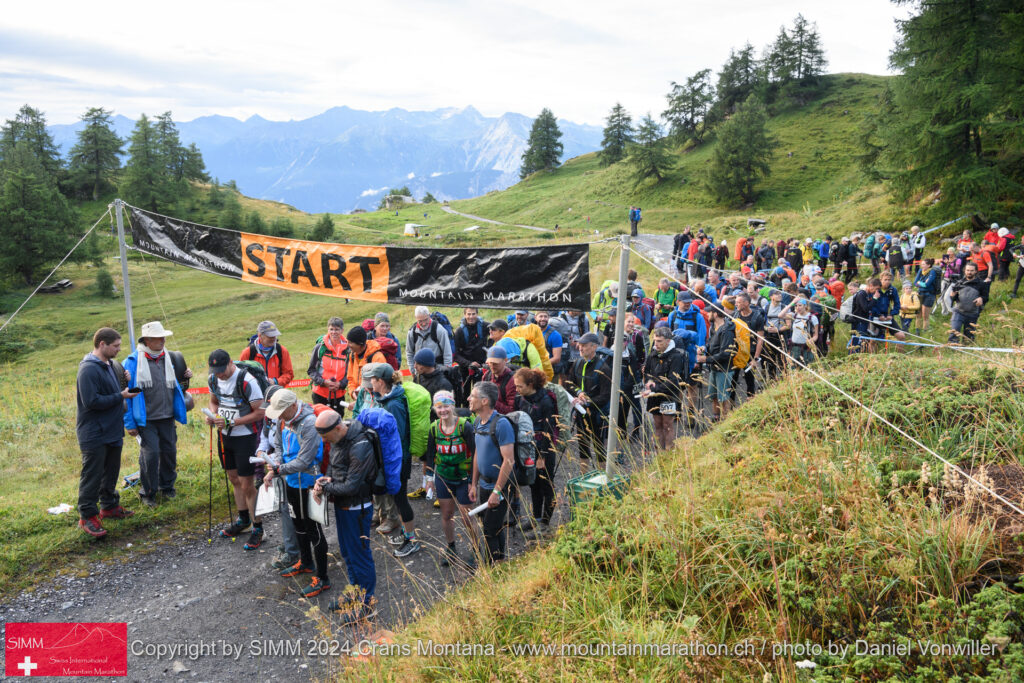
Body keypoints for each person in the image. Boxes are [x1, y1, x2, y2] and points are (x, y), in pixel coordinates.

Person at [261, 390, 330, 598]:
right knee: (297, 524)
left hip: (309, 483)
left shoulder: (309, 423)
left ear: (292, 406)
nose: (279, 417)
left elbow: (305, 461)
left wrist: (277, 470)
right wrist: (276, 462)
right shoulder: (282, 420)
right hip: (291, 481)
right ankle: (306, 562)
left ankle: (323, 578)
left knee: (312, 529)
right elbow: (280, 449)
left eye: (281, 412)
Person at [313, 409, 378, 624]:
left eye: (325, 437)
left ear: (338, 428)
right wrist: (325, 479)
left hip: (357, 508)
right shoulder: (339, 439)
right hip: (344, 507)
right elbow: (334, 464)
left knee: (360, 556)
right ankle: (354, 595)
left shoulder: (360, 446)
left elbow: (351, 486)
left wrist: (326, 488)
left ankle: (367, 605)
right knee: (348, 554)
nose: (324, 441)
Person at [123, 321, 191, 507]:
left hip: (167, 416)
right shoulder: (131, 362)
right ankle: (148, 493)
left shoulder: (171, 358)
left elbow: (180, 386)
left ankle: (167, 487)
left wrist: (186, 377)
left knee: (169, 453)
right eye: (157, 338)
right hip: (146, 420)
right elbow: (126, 397)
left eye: (163, 337)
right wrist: (129, 423)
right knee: (150, 455)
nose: (162, 341)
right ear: (146, 340)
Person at [76, 327, 136, 538]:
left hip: (112, 429)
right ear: (102, 344)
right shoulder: (88, 369)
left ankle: (109, 507)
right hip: (94, 432)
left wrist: (123, 380)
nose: (119, 350)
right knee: (92, 476)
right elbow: (91, 401)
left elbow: (112, 390)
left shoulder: (110, 365)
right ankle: (87, 517)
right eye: (115, 346)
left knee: (111, 472)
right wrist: (121, 396)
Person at [207, 349, 267, 549]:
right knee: (233, 478)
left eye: (222, 371)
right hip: (225, 436)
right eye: (215, 371)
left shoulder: (247, 381)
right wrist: (213, 415)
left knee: (247, 483)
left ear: (231, 362)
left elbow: (260, 412)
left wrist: (233, 422)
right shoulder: (213, 379)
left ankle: (258, 527)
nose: (219, 375)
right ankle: (243, 520)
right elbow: (214, 401)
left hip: (246, 437)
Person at [368, 364, 419, 557]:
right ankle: (407, 533)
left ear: (380, 381)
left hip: (398, 460)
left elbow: (396, 436)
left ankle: (411, 540)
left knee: (400, 500)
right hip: (394, 459)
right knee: (397, 500)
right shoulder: (387, 399)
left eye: (372, 379)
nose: (371, 382)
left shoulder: (393, 404)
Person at [424, 390, 479, 566]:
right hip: (443, 476)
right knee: (447, 514)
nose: (443, 410)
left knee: (467, 516)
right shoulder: (434, 428)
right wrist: (429, 479)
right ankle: (451, 547)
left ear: (452, 406)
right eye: (439, 407)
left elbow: (475, 454)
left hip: (463, 477)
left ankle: (475, 549)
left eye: (446, 406)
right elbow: (431, 454)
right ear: (435, 408)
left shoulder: (464, 426)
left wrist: (473, 482)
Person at [469, 381, 516, 564]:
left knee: (489, 529)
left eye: (473, 396)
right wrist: (473, 483)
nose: (469, 399)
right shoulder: (477, 422)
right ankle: (500, 563)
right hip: (484, 484)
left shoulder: (501, 424)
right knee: (493, 527)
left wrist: (497, 491)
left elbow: (509, 460)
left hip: (500, 486)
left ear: (485, 401)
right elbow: (477, 454)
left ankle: (492, 569)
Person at [512, 369, 558, 539]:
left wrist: (542, 456)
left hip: (543, 449)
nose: (517, 390)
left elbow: (549, 430)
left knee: (546, 485)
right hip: (527, 447)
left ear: (530, 385)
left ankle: (545, 525)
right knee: (533, 483)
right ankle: (536, 517)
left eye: (520, 386)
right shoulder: (521, 400)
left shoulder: (546, 401)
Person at [565, 332, 612, 461]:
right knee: (583, 448)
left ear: (594, 347)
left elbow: (606, 396)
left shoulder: (604, 368)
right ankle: (583, 478)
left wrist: (588, 402)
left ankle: (603, 479)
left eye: (584, 345)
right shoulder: (577, 363)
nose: (580, 348)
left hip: (598, 415)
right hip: (581, 413)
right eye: (579, 344)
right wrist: (579, 392)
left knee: (599, 450)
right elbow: (569, 384)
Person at [642, 326, 686, 450]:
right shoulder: (653, 354)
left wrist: (654, 389)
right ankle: (659, 453)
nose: (656, 344)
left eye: (659, 341)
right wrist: (649, 381)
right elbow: (647, 372)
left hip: (669, 394)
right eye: (655, 340)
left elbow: (673, 381)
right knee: (657, 424)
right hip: (654, 394)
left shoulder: (676, 357)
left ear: (668, 341)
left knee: (667, 424)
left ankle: (669, 451)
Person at [699, 306, 735, 422]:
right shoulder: (714, 327)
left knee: (724, 398)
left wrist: (706, 359)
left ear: (715, 314)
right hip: (714, 368)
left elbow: (726, 354)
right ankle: (716, 419)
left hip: (724, 369)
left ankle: (726, 422)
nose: (707, 314)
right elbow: (712, 345)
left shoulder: (727, 330)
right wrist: (704, 348)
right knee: (714, 396)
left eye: (709, 312)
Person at [308, 317, 349, 415]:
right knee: (321, 422)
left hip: (338, 394)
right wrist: (323, 382)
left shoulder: (348, 350)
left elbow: (350, 372)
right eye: (331, 329)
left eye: (337, 329)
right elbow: (311, 370)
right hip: (320, 394)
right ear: (328, 330)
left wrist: (340, 384)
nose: (334, 332)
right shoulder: (320, 348)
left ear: (342, 330)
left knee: (337, 423)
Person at [240, 320, 294, 387]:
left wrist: (276, 381)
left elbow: (289, 374)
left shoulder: (282, 351)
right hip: (255, 394)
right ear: (260, 335)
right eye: (270, 336)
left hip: (276, 392)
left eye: (275, 335)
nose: (273, 338)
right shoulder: (248, 353)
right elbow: (242, 377)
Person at [731, 293, 764, 399]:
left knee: (750, 381)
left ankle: (750, 403)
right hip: (736, 352)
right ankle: (730, 407)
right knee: (733, 380)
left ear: (746, 303)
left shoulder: (757, 317)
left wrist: (755, 359)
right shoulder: (735, 315)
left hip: (750, 352)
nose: (736, 304)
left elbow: (760, 339)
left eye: (739, 302)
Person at [453, 307, 489, 401]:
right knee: (465, 395)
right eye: (469, 314)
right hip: (465, 368)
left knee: (481, 394)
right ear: (465, 315)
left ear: (477, 314)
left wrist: (490, 346)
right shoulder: (459, 332)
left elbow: (498, 331)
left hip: (481, 367)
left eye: (473, 314)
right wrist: (470, 364)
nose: (471, 316)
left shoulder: (485, 326)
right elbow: (455, 355)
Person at [949, 263, 989, 344]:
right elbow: (954, 298)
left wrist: (981, 298)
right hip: (958, 311)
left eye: (971, 271)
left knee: (969, 338)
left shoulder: (982, 284)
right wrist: (952, 296)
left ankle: (966, 353)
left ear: (976, 271)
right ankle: (952, 350)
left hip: (972, 313)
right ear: (964, 271)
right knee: (954, 331)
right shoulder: (959, 283)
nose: (969, 272)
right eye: (967, 270)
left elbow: (986, 297)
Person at [344, 326, 387, 399]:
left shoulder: (377, 357)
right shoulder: (352, 356)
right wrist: (352, 392)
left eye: (351, 342)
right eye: (347, 341)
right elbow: (350, 378)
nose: (347, 345)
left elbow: (382, 383)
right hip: (360, 399)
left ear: (360, 344)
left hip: (374, 400)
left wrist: (366, 397)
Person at [407, 306, 453, 370]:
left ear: (429, 315)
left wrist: (447, 371)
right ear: (416, 318)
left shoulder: (440, 330)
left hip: (437, 370)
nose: (423, 323)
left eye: (426, 319)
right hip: (420, 371)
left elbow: (447, 353)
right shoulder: (412, 332)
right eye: (420, 321)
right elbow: (409, 352)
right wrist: (412, 370)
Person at [413, 348, 453, 417]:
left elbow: (445, 410)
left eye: (418, 364)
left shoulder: (443, 384)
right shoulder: (418, 378)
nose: (414, 366)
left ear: (426, 365)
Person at [481, 345, 518, 414]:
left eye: (495, 363)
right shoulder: (486, 376)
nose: (492, 366)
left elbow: (512, 411)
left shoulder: (512, 381)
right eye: (490, 362)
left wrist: (492, 402)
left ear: (505, 361)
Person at [534, 311, 565, 379]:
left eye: (545, 316)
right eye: (541, 316)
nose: (543, 319)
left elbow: (557, 358)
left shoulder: (555, 335)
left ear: (549, 318)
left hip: (549, 372)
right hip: (533, 371)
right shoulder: (531, 331)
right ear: (535, 318)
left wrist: (539, 365)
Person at [788, 299, 819, 366]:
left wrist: (811, 340)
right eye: (796, 306)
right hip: (794, 347)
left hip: (806, 348)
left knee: (806, 368)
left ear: (805, 306)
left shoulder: (812, 318)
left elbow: (816, 335)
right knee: (793, 369)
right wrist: (792, 303)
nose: (797, 308)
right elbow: (780, 315)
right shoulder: (794, 316)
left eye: (800, 305)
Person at [912, 259, 941, 331]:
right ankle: (917, 330)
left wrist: (919, 283)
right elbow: (915, 282)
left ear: (928, 265)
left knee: (925, 315)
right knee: (918, 314)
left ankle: (925, 330)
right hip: (920, 293)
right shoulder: (920, 271)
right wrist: (921, 283)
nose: (922, 266)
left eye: (923, 264)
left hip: (929, 295)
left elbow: (926, 285)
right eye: (921, 264)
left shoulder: (932, 272)